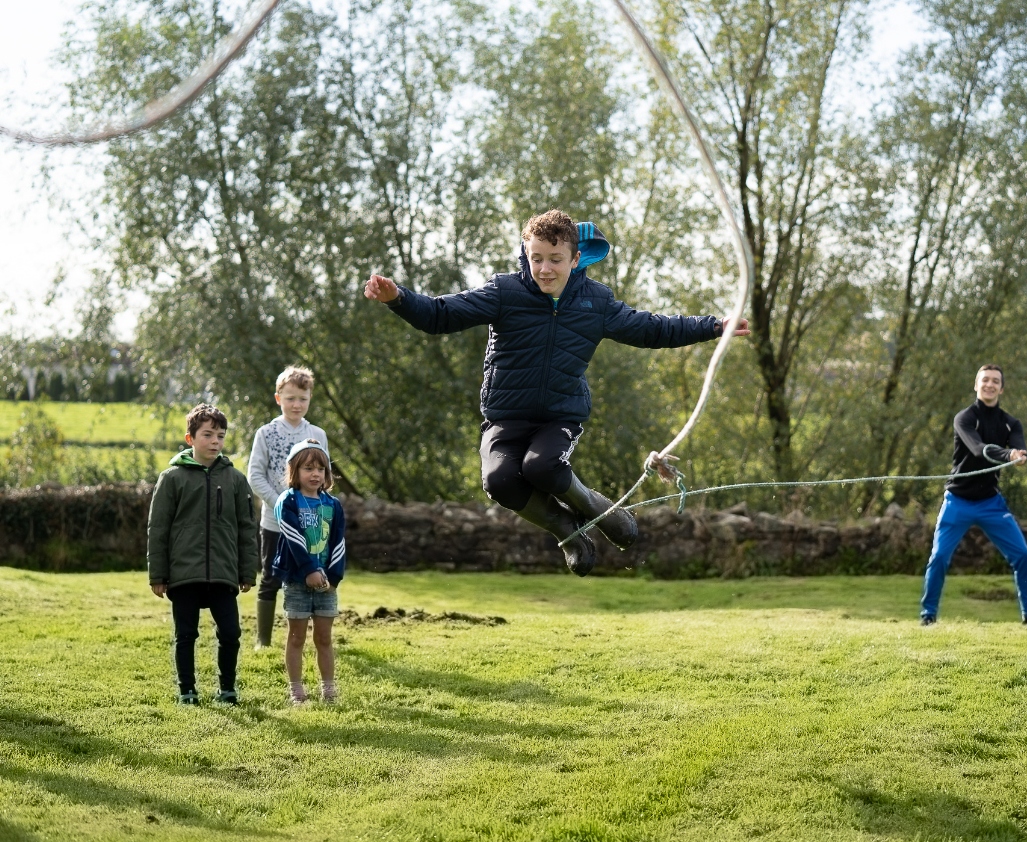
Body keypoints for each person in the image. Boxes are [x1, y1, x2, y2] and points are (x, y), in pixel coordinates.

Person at [362, 210, 748, 576]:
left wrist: (714, 326)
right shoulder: (504, 292)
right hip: (505, 416)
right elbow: (439, 315)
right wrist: (398, 298)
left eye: (556, 259)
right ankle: (567, 530)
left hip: (559, 416)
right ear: (525, 255)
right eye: (537, 258)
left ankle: (599, 508)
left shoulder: (596, 302)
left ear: (576, 258)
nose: (545, 269)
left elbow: (653, 329)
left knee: (541, 466)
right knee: (499, 481)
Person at [147, 404, 257, 704]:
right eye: (207, 434)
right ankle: (187, 691)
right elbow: (158, 529)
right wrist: (158, 575)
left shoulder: (235, 480)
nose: (215, 442)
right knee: (185, 635)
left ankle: (227, 689)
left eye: (220, 436)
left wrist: (247, 571)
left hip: (224, 572)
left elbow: (247, 528)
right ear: (190, 438)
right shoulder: (171, 479)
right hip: (184, 573)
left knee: (231, 633)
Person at [920, 364, 1027, 626]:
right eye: (985, 380)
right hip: (957, 501)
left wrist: (1019, 456)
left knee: (1021, 554)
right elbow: (978, 449)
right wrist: (1008, 455)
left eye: (995, 381)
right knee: (939, 557)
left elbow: (1020, 448)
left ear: (1002, 388)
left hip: (991, 503)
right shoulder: (964, 418)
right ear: (976, 385)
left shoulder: (1011, 424)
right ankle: (928, 616)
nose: (989, 385)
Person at [247, 366, 328, 649]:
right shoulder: (265, 433)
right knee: (271, 578)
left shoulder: (317, 433)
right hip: (274, 523)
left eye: (303, 399)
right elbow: (255, 476)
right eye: (290, 398)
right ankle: (263, 641)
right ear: (278, 398)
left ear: (310, 399)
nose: (297, 404)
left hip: (310, 524)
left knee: (310, 577)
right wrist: (281, 505)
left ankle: (310, 638)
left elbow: (323, 476)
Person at [273, 439, 347, 704]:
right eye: (308, 468)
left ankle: (328, 689)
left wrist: (334, 578)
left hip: (326, 584)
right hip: (296, 582)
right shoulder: (288, 501)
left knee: (324, 638)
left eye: (321, 469)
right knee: (296, 638)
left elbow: (338, 541)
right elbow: (293, 538)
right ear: (294, 471)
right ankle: (296, 691)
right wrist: (308, 571)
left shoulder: (333, 505)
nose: (315, 474)